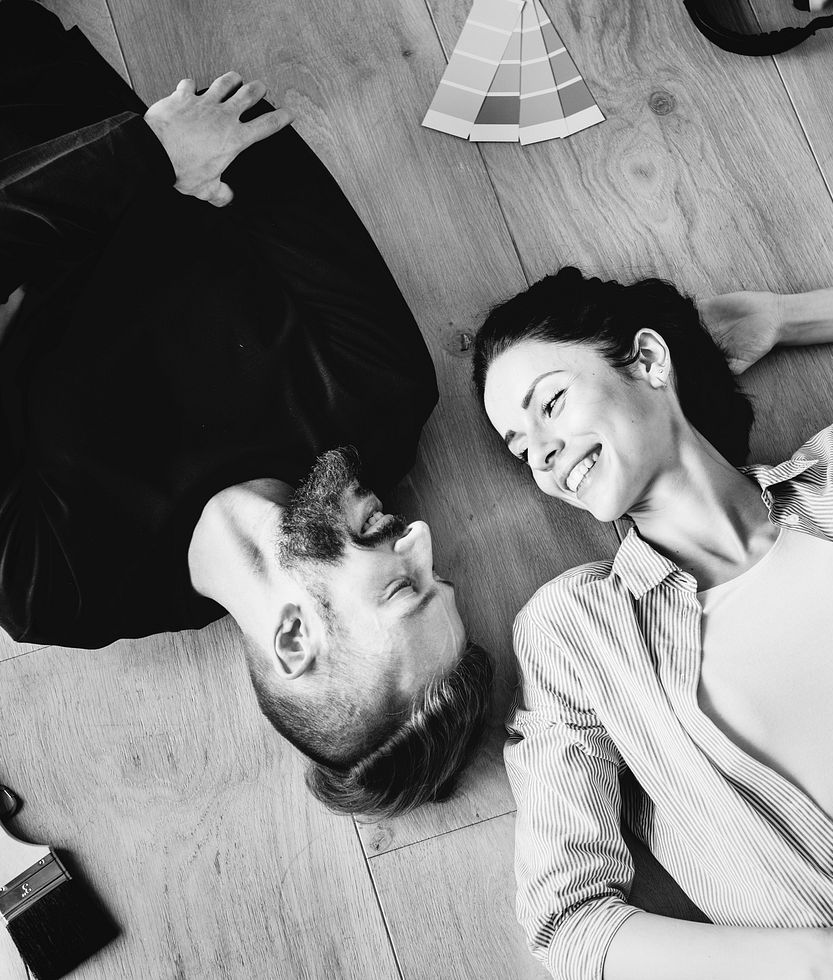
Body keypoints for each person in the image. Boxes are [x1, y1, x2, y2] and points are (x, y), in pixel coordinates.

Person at [0, 0, 492, 818]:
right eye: (437, 574)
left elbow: (189, 149)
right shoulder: (381, 395)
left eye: (405, 588)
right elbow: (247, 133)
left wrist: (150, 164)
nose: (420, 538)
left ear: (294, 640)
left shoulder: (57, 587)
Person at [473, 263, 833, 979]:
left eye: (551, 403)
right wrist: (830, 961)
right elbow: (570, 926)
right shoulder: (576, 631)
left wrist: (788, 318)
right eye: (518, 444)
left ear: (649, 360)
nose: (541, 450)